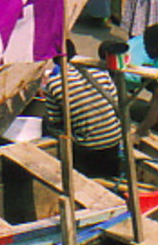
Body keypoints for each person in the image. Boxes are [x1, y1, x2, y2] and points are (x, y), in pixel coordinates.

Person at [37, 40, 128, 181]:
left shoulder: (54, 84)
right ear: (76, 53)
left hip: (88, 148)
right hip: (114, 141)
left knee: (47, 124)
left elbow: (55, 123)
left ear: (54, 59)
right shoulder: (100, 71)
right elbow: (115, 103)